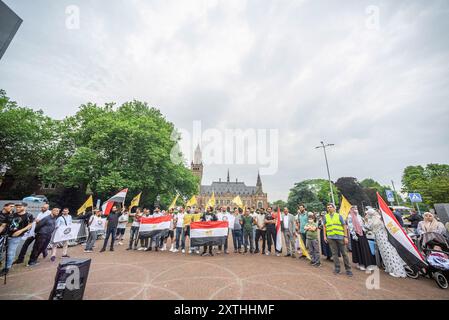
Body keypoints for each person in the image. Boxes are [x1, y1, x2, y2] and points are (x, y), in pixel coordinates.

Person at [365, 208, 407, 278]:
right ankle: (390, 268)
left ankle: (396, 271)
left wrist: (366, 220)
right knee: (387, 253)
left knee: (389, 253)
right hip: (384, 237)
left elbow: (368, 227)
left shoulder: (373, 220)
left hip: (382, 238)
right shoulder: (380, 218)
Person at [0, 203, 34, 276]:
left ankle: (7, 268)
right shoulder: (11, 215)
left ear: (25, 207)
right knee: (1, 250)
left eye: (19, 207)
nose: (17, 208)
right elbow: (3, 225)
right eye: (17, 207)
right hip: (5, 235)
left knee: (10, 253)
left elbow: (30, 224)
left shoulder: (29, 216)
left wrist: (20, 231)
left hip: (15, 238)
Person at [323, 203, 353, 276]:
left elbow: (344, 226)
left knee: (344, 254)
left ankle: (348, 269)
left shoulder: (339, 216)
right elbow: (324, 227)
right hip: (331, 238)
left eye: (330, 207)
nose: (329, 208)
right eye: (328, 207)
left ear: (334, 208)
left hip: (340, 237)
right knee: (334, 254)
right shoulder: (325, 217)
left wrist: (345, 237)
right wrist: (324, 236)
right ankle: (337, 268)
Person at [347, 206, 376, 271]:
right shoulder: (350, 217)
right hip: (356, 235)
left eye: (357, 209)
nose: (356, 210)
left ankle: (368, 264)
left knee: (365, 249)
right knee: (358, 249)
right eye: (354, 209)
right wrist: (354, 235)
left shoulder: (359, 216)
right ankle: (360, 264)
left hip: (362, 233)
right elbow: (350, 227)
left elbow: (362, 225)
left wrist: (366, 228)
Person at [0, 203, 15, 267]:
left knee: (1, 251)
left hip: (4, 236)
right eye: (11, 206)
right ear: (4, 207)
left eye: (13, 207)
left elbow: (13, 226)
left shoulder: (12, 215)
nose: (12, 208)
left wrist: (11, 216)